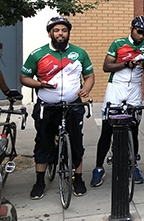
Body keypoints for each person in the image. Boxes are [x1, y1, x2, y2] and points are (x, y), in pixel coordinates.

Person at [20, 16, 95, 199]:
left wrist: (86, 88)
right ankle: (39, 181)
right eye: (57, 30)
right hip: (47, 105)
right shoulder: (38, 54)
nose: (60, 34)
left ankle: (78, 178)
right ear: (50, 33)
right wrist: (40, 85)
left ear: (68, 33)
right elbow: (24, 78)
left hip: (72, 105)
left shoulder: (79, 53)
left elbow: (89, 76)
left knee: (76, 142)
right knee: (43, 142)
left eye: (64, 30)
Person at [91, 16, 144, 188]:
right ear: (132, 28)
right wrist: (126, 64)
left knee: (133, 129)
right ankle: (98, 168)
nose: (142, 36)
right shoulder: (118, 43)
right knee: (107, 129)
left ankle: (133, 165)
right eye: (139, 32)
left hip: (134, 89)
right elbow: (106, 67)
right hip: (116, 87)